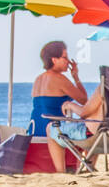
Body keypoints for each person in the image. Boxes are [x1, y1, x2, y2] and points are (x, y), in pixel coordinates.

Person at [29, 41, 88, 172]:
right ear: (54, 60)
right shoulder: (59, 79)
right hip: (52, 132)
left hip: (35, 130)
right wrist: (76, 76)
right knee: (88, 133)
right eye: (65, 57)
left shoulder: (38, 79)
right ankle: (81, 167)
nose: (68, 61)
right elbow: (84, 100)